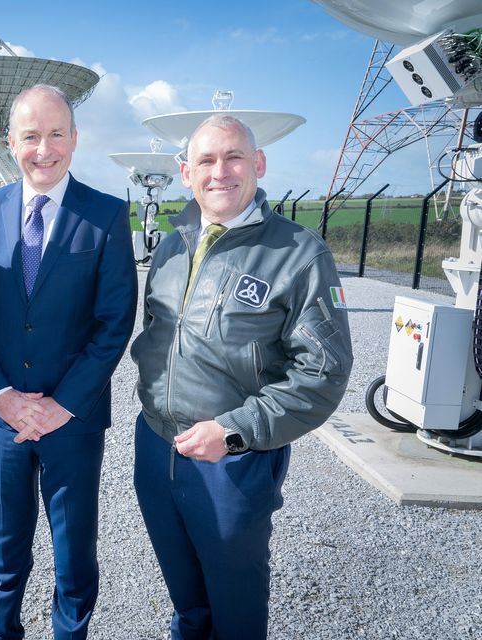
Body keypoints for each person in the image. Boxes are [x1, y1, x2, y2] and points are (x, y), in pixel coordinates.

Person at [130, 114, 353, 640]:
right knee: (186, 603)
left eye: (233, 157)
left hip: (232, 460)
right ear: (186, 173)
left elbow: (323, 372)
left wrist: (232, 431)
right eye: (205, 160)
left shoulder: (298, 253)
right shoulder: (172, 243)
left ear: (258, 163)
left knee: (235, 609)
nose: (219, 172)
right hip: (156, 447)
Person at [0, 84, 138, 640]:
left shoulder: (106, 216)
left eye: (56, 133)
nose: (44, 148)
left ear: (74, 139)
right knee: (7, 549)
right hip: (1, 417)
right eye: (31, 135)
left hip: (73, 421)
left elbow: (114, 324)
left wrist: (63, 404)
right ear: (11, 142)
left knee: (74, 553)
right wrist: (0, 395)